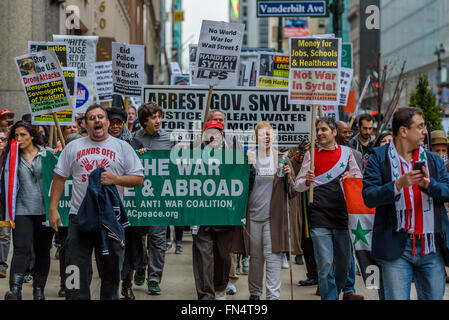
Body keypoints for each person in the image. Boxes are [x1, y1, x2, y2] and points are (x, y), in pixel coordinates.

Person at [49, 104, 144, 300]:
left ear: (107, 122)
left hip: (110, 218)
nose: (97, 121)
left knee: (111, 270)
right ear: (85, 124)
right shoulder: (73, 147)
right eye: (92, 118)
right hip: (79, 217)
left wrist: (115, 179)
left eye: (101, 117)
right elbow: (59, 177)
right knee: (74, 267)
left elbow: (138, 179)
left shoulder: (122, 147)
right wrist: (53, 208)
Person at [362, 107, 449, 300]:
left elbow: (447, 190)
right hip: (396, 247)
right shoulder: (378, 157)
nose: (425, 131)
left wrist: (429, 185)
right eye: (419, 127)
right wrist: (398, 184)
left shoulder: (433, 160)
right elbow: (368, 196)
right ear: (403, 131)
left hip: (431, 246)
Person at [294, 117, 362, 300]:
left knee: (344, 264)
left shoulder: (347, 153)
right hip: (319, 215)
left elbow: (358, 178)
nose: (319, 133)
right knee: (324, 265)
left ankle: (335, 290)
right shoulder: (311, 154)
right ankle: (329, 297)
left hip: (342, 216)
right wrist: (307, 181)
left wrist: (350, 175)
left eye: (324, 129)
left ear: (334, 132)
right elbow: (297, 185)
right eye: (317, 129)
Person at [242, 121, 298, 300]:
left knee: (273, 257)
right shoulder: (249, 158)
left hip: (273, 218)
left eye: (269, 134)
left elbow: (293, 191)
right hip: (253, 216)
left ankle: (273, 297)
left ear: (273, 137)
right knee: (256, 259)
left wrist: (289, 177)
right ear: (255, 138)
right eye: (261, 134)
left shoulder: (281, 159)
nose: (266, 137)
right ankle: (255, 294)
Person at [2, 121, 54, 300]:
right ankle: (15, 290)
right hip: (22, 210)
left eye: (23, 135)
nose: (19, 139)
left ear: (32, 135)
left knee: (42, 250)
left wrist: (58, 154)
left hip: (45, 211)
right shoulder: (11, 156)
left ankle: (38, 289)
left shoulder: (47, 154)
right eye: (16, 135)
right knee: (21, 250)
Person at [132, 102, 176, 296]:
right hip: (140, 199)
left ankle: (154, 279)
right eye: (153, 117)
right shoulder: (134, 138)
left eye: (159, 116)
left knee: (158, 240)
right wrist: (136, 155)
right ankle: (141, 266)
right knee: (138, 238)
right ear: (144, 121)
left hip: (160, 198)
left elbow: (177, 165)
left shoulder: (169, 139)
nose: (158, 120)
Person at [191, 119, 238, 300]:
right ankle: (205, 296)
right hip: (201, 214)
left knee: (223, 256)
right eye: (210, 132)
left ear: (222, 134)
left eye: (217, 132)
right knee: (203, 258)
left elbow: (246, 177)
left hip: (225, 215)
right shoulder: (195, 153)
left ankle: (220, 287)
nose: (213, 136)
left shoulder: (234, 153)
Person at [106, 106, 146, 300]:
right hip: (108, 205)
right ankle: (112, 286)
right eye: (111, 122)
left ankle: (127, 286)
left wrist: (144, 154)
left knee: (131, 246)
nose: (114, 126)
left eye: (118, 123)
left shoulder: (135, 143)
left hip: (131, 207)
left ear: (124, 124)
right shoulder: (98, 143)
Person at [335, 121, 365, 300]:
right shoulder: (320, 153)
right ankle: (331, 285)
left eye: (349, 132)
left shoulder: (356, 154)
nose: (347, 135)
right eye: (343, 132)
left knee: (348, 249)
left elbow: (360, 179)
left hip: (349, 209)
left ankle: (348, 289)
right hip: (328, 209)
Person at [0, 127, 11, 279]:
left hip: (5, 203)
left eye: (3, 139)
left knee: (4, 234)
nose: (0, 142)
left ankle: (2, 265)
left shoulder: (12, 158)